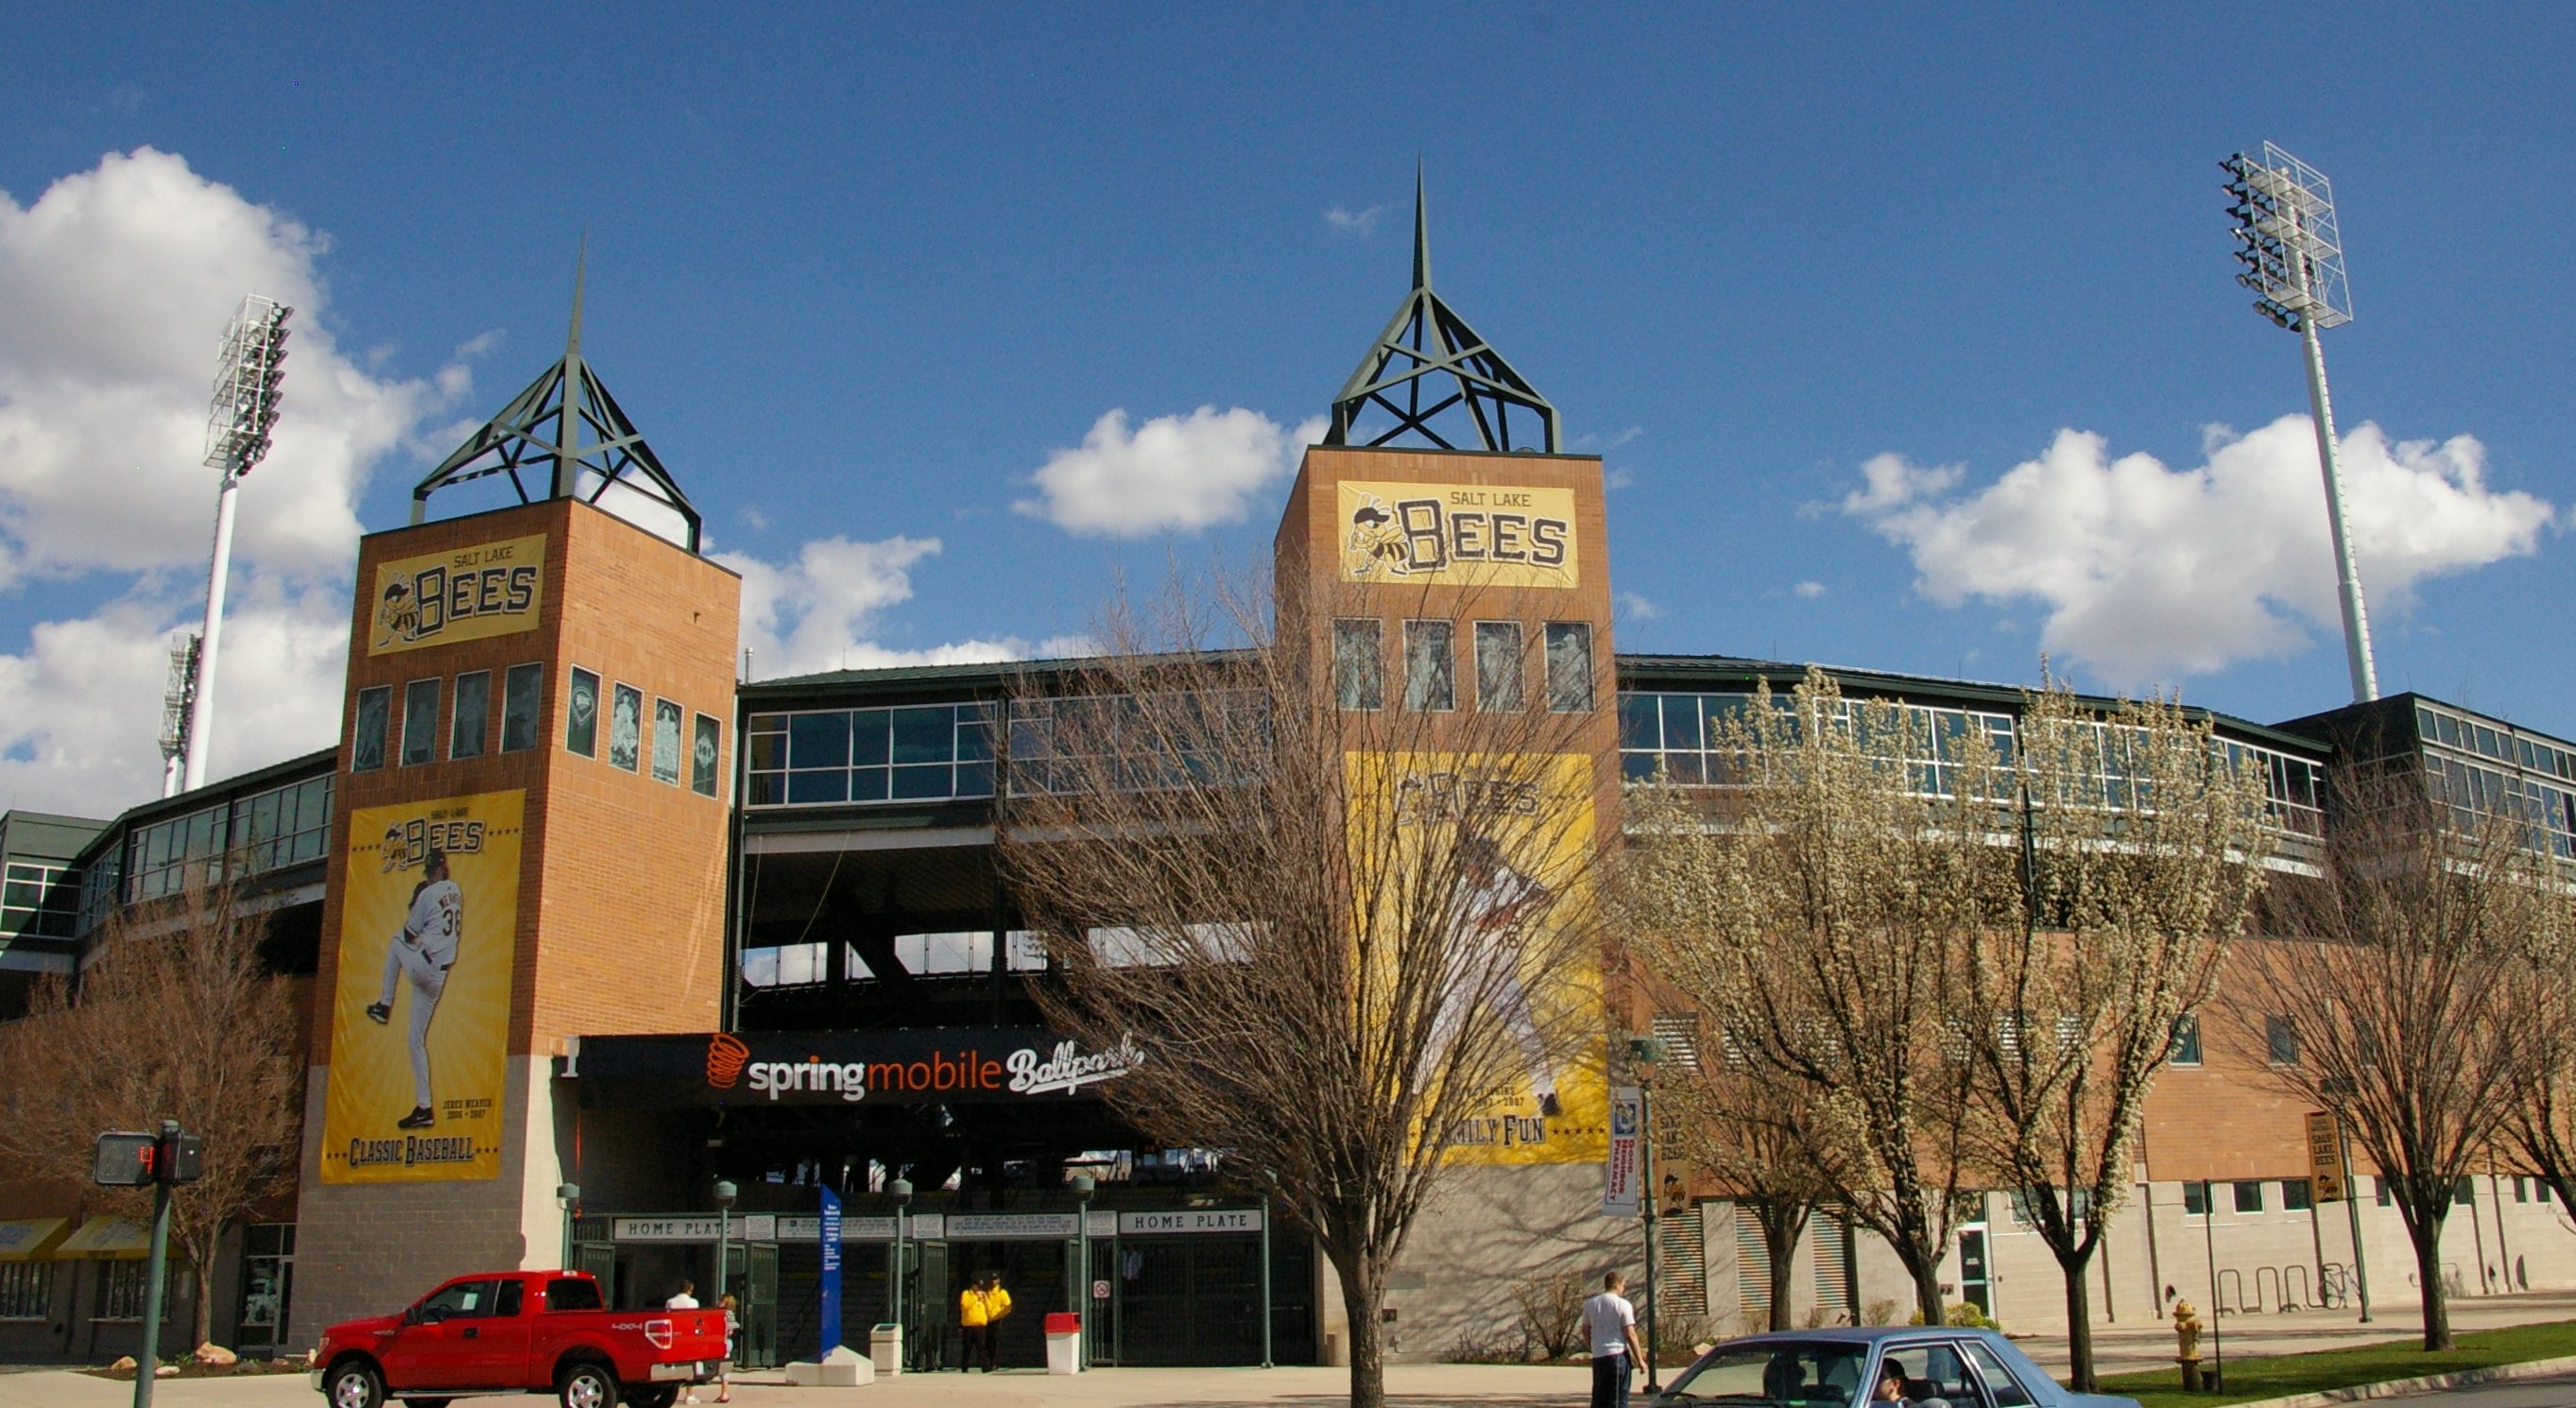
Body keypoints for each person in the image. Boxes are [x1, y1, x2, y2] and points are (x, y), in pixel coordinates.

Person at [1423, 831, 1560, 1116]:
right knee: (1441, 1034)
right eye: (1472, 864)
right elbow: (1489, 921)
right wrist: (1524, 903)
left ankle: (1545, 1093)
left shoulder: (1507, 878)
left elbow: (1547, 895)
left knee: (1526, 1030)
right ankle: (1413, 1092)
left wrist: (1535, 892)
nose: (1478, 869)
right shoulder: (1460, 890)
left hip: (1500, 972)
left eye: (1482, 863)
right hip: (1464, 973)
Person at [365, 848, 463, 1131]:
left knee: (396, 941)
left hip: (425, 967)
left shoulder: (427, 894)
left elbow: (409, 933)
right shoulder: (456, 890)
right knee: (414, 1039)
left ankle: (384, 1004)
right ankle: (425, 1108)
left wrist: (418, 902)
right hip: (438, 977)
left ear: (431, 870)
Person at [1581, 1271, 1644, 1408]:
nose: (1624, 1289)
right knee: (1618, 1399)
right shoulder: (1623, 1304)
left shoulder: (1591, 1304)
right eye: (1623, 1285)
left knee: (1600, 1398)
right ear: (1616, 1285)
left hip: (1599, 1357)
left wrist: (1593, 1346)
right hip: (1617, 1356)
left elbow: (1585, 1329)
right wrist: (1640, 1360)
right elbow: (1630, 1333)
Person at [958, 1271, 1011, 1372]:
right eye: (978, 1286)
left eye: (980, 1287)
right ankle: (965, 1367)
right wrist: (976, 1298)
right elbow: (965, 1306)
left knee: (983, 1347)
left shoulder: (1000, 1293)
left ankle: (987, 1366)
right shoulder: (966, 1294)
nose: (979, 1289)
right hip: (969, 1324)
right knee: (968, 1347)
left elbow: (992, 1308)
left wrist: (986, 1300)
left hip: (984, 1323)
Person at [714, 1293, 736, 1403]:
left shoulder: (723, 1314)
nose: (719, 1302)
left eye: (721, 1301)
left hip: (723, 1342)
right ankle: (724, 1392)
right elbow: (732, 1330)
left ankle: (724, 1393)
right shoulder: (731, 1314)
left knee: (723, 1368)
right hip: (727, 1341)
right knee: (723, 1368)